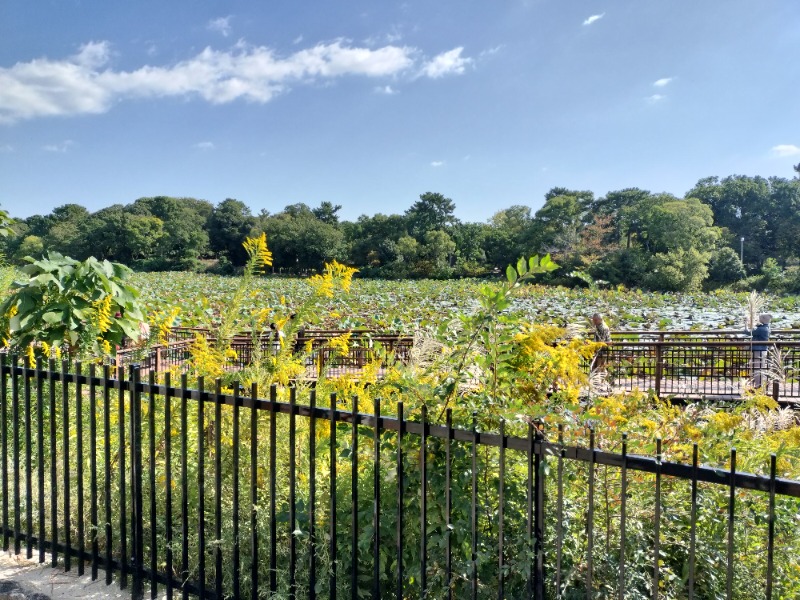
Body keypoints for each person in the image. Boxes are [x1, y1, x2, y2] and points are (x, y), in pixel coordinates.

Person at [746, 313, 772, 387]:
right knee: (761, 367)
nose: (758, 319)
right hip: (763, 350)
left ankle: (758, 385)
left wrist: (746, 325)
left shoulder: (761, 329)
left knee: (757, 368)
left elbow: (748, 332)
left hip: (758, 350)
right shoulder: (767, 327)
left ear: (763, 319)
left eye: (759, 318)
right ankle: (764, 383)